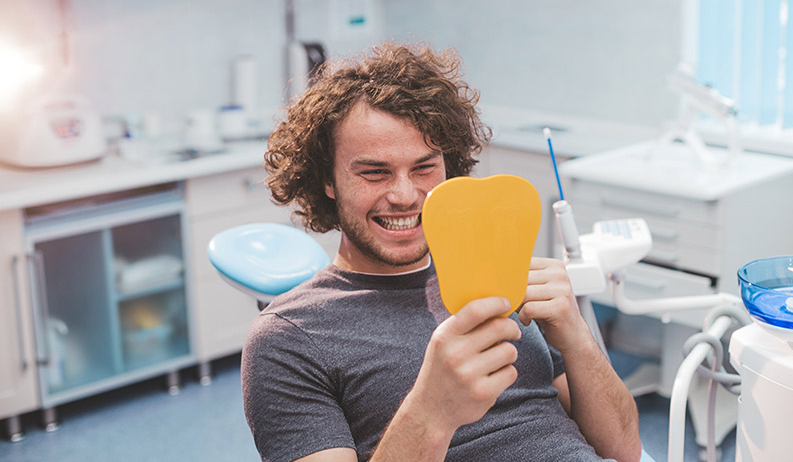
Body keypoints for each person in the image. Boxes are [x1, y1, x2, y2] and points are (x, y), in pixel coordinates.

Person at [241, 42, 641, 462]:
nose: (403, 195)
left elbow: (625, 449)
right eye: (374, 172)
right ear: (328, 181)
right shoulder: (289, 338)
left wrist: (576, 338)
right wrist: (432, 410)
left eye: (424, 167)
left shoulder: (499, 278)